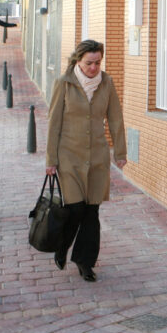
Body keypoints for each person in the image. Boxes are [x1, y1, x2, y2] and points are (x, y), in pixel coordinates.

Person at [45, 39, 126, 282]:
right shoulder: (64, 83)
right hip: (69, 155)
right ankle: (62, 245)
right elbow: (54, 123)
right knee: (74, 207)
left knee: (92, 210)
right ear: (78, 61)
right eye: (89, 63)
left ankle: (85, 261)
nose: (94, 68)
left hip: (97, 156)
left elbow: (115, 119)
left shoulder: (107, 82)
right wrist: (51, 159)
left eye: (98, 63)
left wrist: (120, 152)